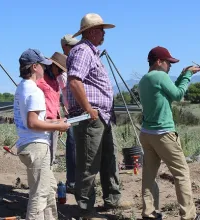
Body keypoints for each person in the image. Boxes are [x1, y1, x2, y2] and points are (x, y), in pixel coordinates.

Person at [67, 13, 130, 219]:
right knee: (89, 164)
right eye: (101, 29)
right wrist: (88, 109)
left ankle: (111, 200)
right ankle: (86, 208)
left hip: (101, 115)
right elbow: (75, 81)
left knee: (108, 160)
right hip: (92, 116)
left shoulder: (92, 53)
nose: (104, 33)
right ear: (92, 31)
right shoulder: (83, 51)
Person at [138, 46, 200, 220]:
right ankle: (188, 215)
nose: (170, 66)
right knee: (181, 174)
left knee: (149, 175)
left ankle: (149, 213)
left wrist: (182, 75)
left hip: (147, 133)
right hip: (163, 133)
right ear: (159, 62)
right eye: (168, 62)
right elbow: (179, 95)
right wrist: (188, 75)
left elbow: (170, 93)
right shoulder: (160, 76)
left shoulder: (145, 79)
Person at [14, 48, 70, 220]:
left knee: (50, 188)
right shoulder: (35, 91)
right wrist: (57, 127)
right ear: (34, 67)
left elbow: (30, 120)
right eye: (42, 67)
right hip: (37, 145)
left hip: (27, 144)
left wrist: (57, 122)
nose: (45, 70)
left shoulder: (22, 88)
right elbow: (32, 122)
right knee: (39, 194)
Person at [57, 34, 79, 193]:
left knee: (79, 144)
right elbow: (59, 90)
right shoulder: (60, 65)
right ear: (64, 47)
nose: (73, 49)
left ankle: (78, 180)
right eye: (71, 46)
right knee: (72, 144)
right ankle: (72, 182)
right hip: (71, 111)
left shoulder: (75, 63)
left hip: (79, 109)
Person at [36, 52, 67, 165]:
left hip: (54, 123)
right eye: (60, 70)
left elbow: (55, 102)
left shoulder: (55, 80)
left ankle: (47, 181)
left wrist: (59, 120)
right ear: (53, 65)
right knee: (42, 158)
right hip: (43, 123)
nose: (61, 73)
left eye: (63, 71)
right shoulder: (39, 79)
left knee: (51, 157)